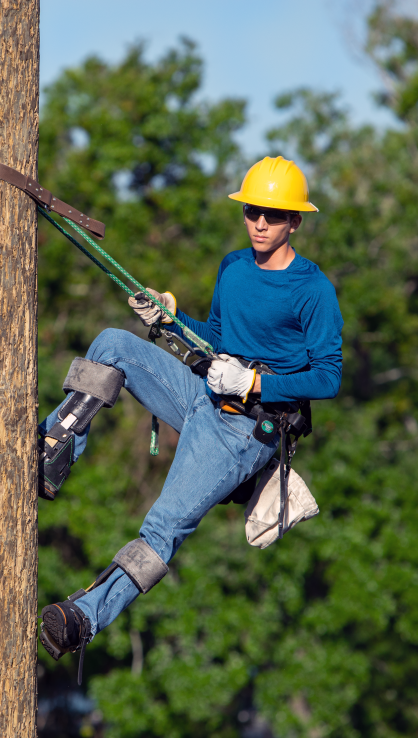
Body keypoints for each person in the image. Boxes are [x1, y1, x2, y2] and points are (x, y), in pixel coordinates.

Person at [36, 156, 344, 679]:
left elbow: (328, 376)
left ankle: (83, 618)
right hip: (202, 395)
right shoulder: (233, 266)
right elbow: (220, 338)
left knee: (162, 527)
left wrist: (255, 383)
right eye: (252, 212)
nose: (260, 223)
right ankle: (53, 448)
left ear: (295, 221)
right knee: (113, 344)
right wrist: (170, 317)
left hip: (245, 431)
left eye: (272, 214)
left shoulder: (311, 290)